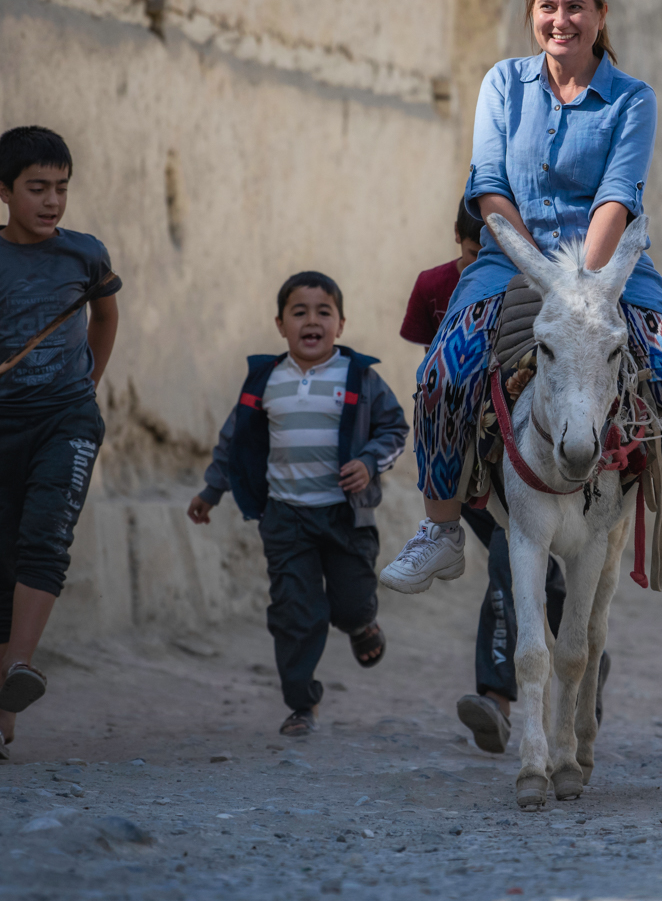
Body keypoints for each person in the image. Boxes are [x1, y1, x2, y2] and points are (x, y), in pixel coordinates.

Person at [378, 0, 662, 593]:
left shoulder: (633, 99)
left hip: (611, 264)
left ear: (601, 14)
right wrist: (535, 265)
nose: (562, 19)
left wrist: (583, 281)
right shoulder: (502, 84)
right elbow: (489, 184)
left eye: (575, 6)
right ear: (533, 14)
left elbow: (618, 192)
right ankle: (440, 528)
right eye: (548, 6)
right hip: (509, 260)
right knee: (445, 373)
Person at [0, 126, 122, 762]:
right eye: (37, 188)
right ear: (3, 191)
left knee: (46, 538)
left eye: (61, 188)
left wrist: (88, 383)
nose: (52, 202)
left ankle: (20, 665)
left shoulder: (87, 254)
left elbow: (106, 315)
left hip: (67, 421)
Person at [187, 272, 407, 737]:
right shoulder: (265, 380)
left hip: (345, 516)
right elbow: (237, 442)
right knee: (295, 613)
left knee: (349, 605)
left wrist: (368, 462)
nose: (312, 321)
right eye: (300, 312)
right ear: (281, 324)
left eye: (323, 312)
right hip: (285, 516)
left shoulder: (359, 377)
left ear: (341, 324)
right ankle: (302, 704)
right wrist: (212, 490)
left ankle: (362, 624)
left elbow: (395, 430)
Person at [399, 209, 584, 753]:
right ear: (462, 240)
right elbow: (434, 360)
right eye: (478, 251)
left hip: (530, 459)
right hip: (474, 460)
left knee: (516, 566)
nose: (490, 264)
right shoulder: (440, 285)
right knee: (526, 572)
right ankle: (556, 679)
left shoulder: (539, 290)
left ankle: (505, 698)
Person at [399, 199, 484, 347]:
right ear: (457, 232)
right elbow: (431, 358)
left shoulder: (514, 286)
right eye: (475, 254)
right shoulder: (430, 285)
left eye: (492, 255)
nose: (483, 263)